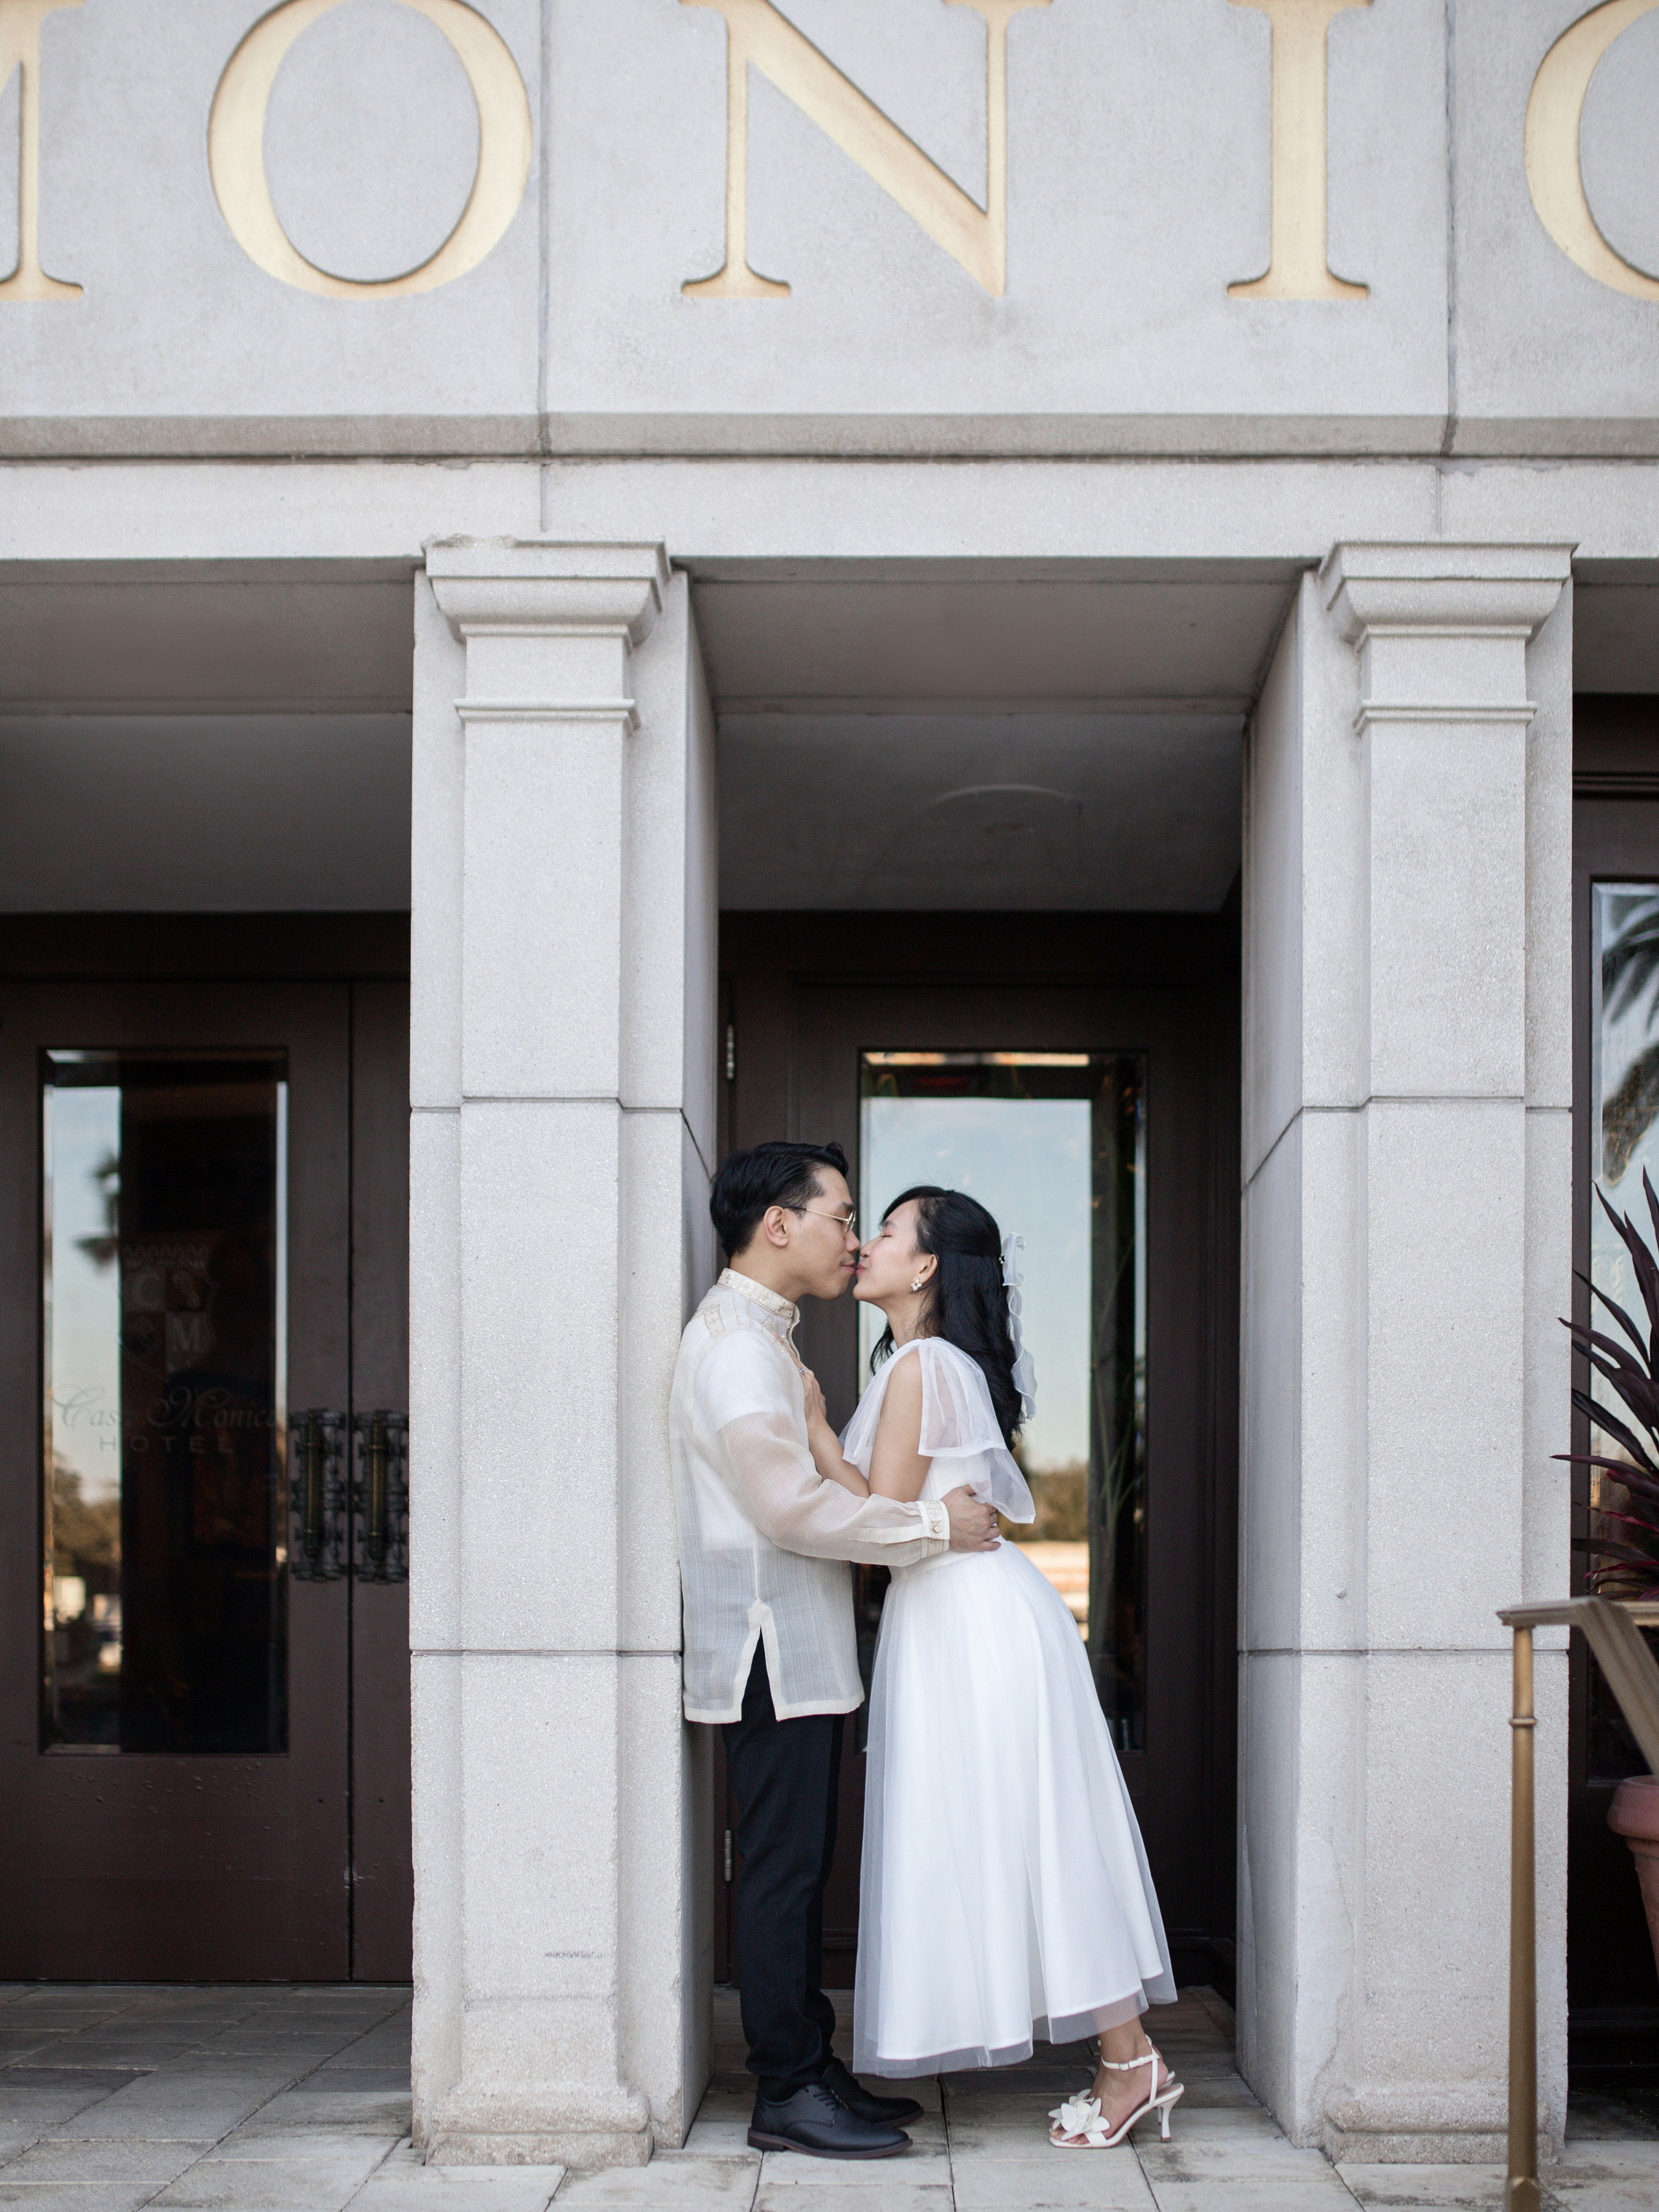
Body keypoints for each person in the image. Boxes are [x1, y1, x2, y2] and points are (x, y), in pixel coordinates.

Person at [798, 1185, 1183, 2152]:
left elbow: (883, 1518)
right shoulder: (931, 1363)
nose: (866, 1244)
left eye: (887, 1231)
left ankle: (1132, 2059)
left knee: (1031, 1827)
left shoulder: (923, 1364)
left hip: (966, 1619)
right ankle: (1127, 2054)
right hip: (965, 1610)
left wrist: (813, 1432)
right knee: (1030, 1825)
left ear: (926, 1265)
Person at [669, 1141, 1002, 2161]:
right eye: (842, 1216)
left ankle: (810, 2063)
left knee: (801, 1863)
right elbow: (788, 1507)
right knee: (781, 1869)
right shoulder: (737, 1347)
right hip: (769, 1646)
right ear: (778, 1223)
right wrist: (934, 1526)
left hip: (797, 1645)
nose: (853, 1238)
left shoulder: (767, 1341)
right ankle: (786, 2087)